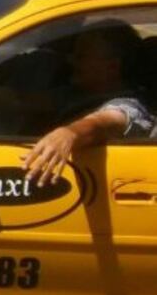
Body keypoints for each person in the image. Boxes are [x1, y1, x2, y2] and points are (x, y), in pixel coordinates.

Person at [21, 26, 154, 186]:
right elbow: (19, 100)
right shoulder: (76, 94)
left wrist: (69, 133)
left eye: (81, 56)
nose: (71, 60)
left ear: (112, 67)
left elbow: (104, 122)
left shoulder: (128, 105)